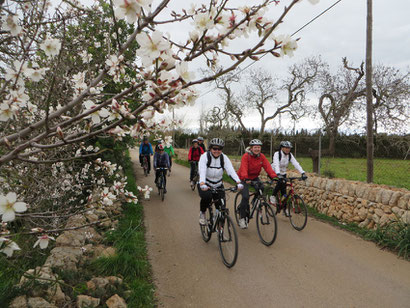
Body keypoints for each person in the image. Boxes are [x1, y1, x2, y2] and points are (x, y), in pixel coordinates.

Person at [198, 138, 243, 225]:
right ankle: (202, 213)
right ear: (210, 148)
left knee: (222, 208)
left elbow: (231, 171)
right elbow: (202, 170)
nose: (217, 151)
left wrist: (238, 182)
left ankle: (220, 232)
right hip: (206, 184)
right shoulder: (204, 156)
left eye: (219, 149)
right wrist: (202, 183)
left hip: (218, 184)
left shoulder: (224, 158)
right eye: (215, 148)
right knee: (206, 197)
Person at [237, 139, 278, 229]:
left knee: (262, 188)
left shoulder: (261, 157)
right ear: (251, 148)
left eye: (259, 147)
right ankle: (242, 219)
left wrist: (274, 176)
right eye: (255, 147)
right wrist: (245, 178)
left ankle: (254, 201)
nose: (257, 149)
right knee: (245, 197)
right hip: (244, 178)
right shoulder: (246, 156)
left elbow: (268, 167)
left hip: (254, 177)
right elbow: (243, 168)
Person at [270, 141, 307, 212]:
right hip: (274, 171)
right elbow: (276, 164)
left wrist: (302, 173)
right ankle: (273, 196)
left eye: (289, 148)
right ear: (282, 148)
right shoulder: (277, 154)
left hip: (283, 173)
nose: (288, 150)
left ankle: (284, 207)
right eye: (286, 148)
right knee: (280, 183)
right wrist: (278, 174)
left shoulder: (290, 155)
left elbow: (296, 163)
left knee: (284, 191)